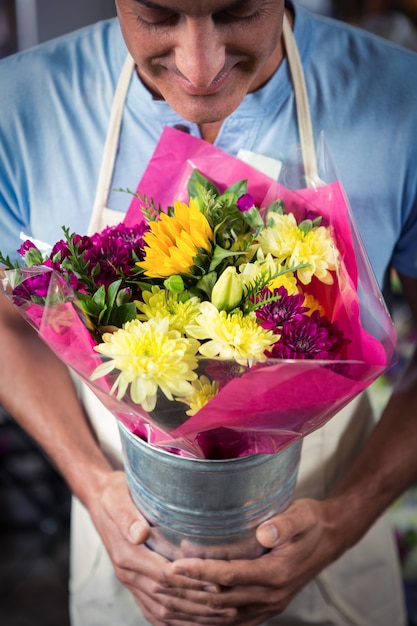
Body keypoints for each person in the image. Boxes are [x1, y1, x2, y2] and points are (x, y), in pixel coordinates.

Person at [0, 1, 417, 624]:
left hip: (332, 562)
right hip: (130, 560)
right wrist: (94, 484)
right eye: (157, 16)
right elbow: (9, 326)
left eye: (239, 11)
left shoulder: (401, 100)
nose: (200, 67)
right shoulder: (20, 103)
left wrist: (346, 516)